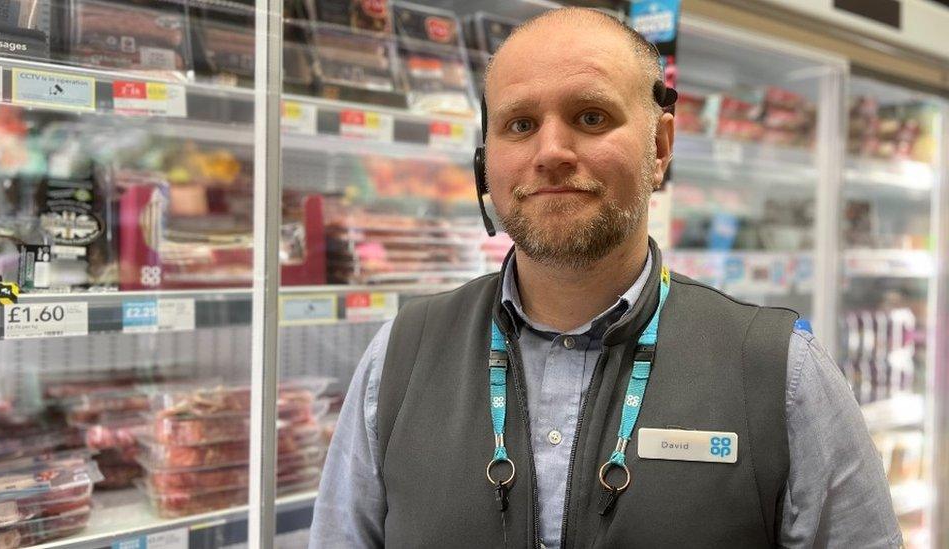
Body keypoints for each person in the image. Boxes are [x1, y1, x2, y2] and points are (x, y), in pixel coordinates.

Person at [309, 7, 901, 548]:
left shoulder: (782, 376)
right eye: (518, 125)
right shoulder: (398, 360)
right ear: (486, 160)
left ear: (660, 147)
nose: (552, 151)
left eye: (590, 117)